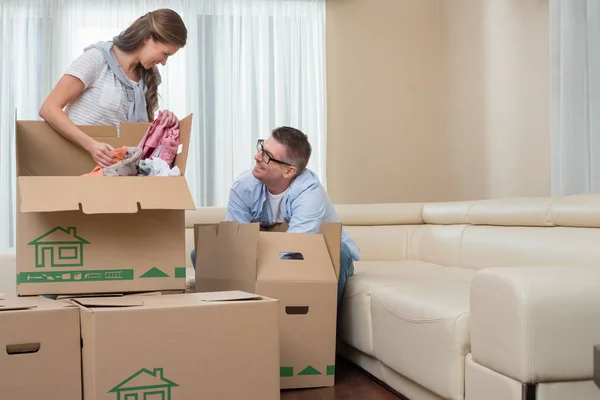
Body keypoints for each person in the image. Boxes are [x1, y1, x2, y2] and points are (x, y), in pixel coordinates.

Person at [191, 126, 361, 305]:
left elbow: (295, 253)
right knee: (202, 253)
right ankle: (234, 318)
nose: (257, 157)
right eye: (261, 148)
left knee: (339, 252)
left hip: (312, 257)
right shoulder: (243, 187)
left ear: (289, 171)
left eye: (267, 156)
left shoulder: (310, 193)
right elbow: (235, 245)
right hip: (271, 256)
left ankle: (325, 326)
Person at [39, 8, 187, 168]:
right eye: (165, 54)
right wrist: (91, 145)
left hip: (118, 173)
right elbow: (49, 108)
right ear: (147, 38)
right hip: (79, 165)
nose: (164, 62)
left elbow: (141, 134)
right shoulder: (97, 59)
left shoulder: (150, 76)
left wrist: (163, 122)